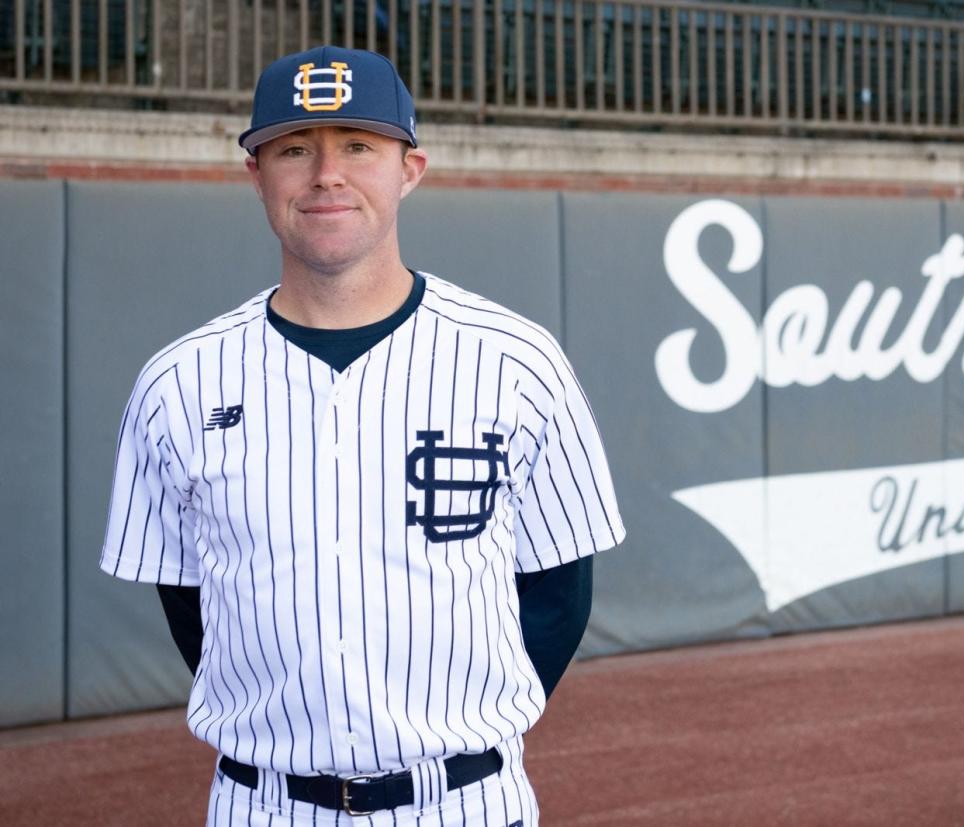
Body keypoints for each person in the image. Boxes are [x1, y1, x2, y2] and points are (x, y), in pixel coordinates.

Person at [99, 45, 625, 826]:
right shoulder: (179, 383)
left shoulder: (517, 361)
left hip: (466, 802)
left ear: (409, 168)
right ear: (256, 174)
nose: (325, 175)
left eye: (357, 145)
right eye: (293, 149)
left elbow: (557, 589)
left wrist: (456, 730)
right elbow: (189, 600)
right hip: (265, 806)